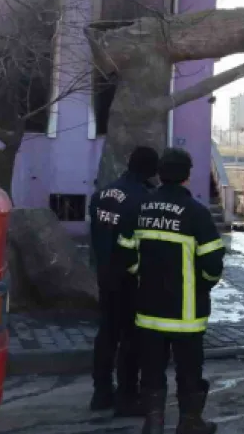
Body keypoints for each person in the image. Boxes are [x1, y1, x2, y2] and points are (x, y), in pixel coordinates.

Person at [118, 148, 225, 434]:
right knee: (189, 371)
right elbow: (213, 263)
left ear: (160, 173)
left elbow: (125, 254)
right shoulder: (196, 213)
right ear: (187, 176)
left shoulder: (139, 207)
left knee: (152, 370)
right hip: (187, 314)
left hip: (149, 311)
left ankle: (153, 424)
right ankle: (190, 422)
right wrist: (202, 285)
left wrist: (140, 275)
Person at [89, 146, 159, 415]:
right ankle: (128, 395)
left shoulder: (101, 195)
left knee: (106, 335)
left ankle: (101, 393)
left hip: (105, 275)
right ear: (151, 170)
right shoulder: (142, 199)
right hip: (130, 278)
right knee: (131, 338)